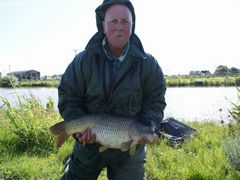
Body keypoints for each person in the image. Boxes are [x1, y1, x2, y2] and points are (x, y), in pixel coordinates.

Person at [58, 0, 166, 179]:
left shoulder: (148, 64)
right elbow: (69, 96)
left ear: (132, 26)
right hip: (89, 147)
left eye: (125, 21)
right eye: (113, 21)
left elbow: (156, 101)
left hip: (130, 151)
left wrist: (150, 126)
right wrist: (78, 130)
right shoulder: (83, 61)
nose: (119, 27)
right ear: (103, 24)